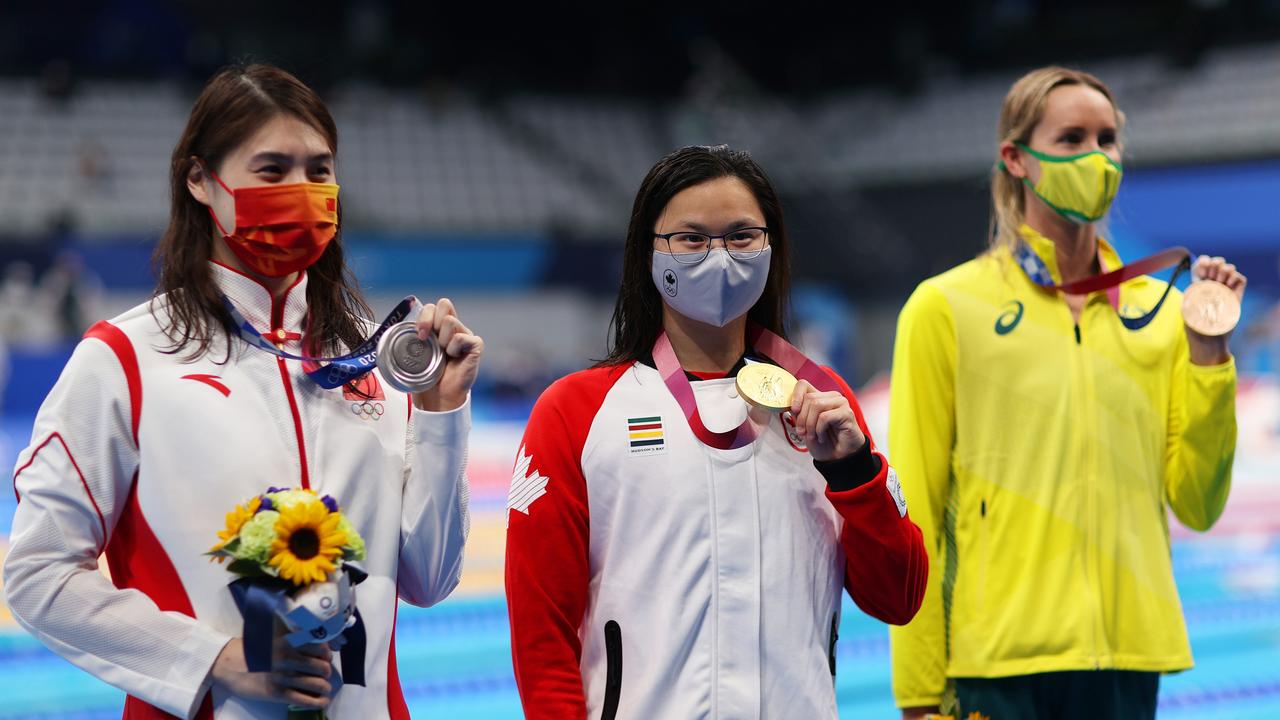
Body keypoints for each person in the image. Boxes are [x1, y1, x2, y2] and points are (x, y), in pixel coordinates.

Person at [3, 64, 482, 719]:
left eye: (319, 171)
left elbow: (429, 579)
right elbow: (38, 574)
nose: (302, 190)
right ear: (200, 180)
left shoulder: (376, 357)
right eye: (272, 169)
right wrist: (213, 661)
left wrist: (441, 411)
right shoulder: (125, 359)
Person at [504, 144, 928, 719]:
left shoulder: (822, 404)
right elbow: (541, 637)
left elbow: (899, 598)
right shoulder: (577, 411)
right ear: (647, 252)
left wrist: (853, 472)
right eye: (692, 238)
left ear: (771, 249)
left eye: (741, 235)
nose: (719, 257)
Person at [888, 66, 1246, 720]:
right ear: (1016, 159)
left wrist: (1208, 358)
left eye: (1108, 138)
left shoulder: (1160, 313)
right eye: (1073, 136)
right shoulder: (945, 307)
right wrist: (918, 693)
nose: (1097, 155)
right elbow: (915, 513)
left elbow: (1197, 503)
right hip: (998, 665)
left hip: (1129, 658)